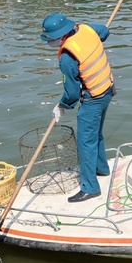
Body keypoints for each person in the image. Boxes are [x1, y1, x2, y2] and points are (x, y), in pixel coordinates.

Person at [41, 13, 116, 203]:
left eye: (50, 39)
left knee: (85, 142)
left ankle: (90, 187)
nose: (50, 43)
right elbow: (104, 32)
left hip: (93, 99)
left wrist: (61, 105)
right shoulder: (87, 29)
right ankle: (101, 169)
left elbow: (72, 94)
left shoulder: (67, 58)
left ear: (61, 37)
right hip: (107, 89)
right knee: (96, 134)